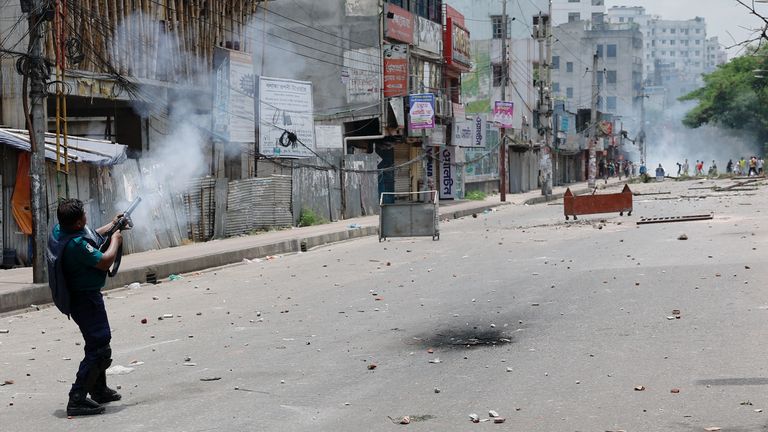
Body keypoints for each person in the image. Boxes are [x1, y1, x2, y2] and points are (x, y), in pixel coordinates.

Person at [48, 199, 125, 416]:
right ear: (77, 223)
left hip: (77, 296)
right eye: (83, 217)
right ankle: (77, 397)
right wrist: (116, 240)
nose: (86, 218)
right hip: (85, 299)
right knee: (100, 346)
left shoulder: (60, 230)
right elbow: (104, 260)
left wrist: (112, 226)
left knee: (95, 342)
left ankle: (98, 389)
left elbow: (89, 236)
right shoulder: (76, 246)